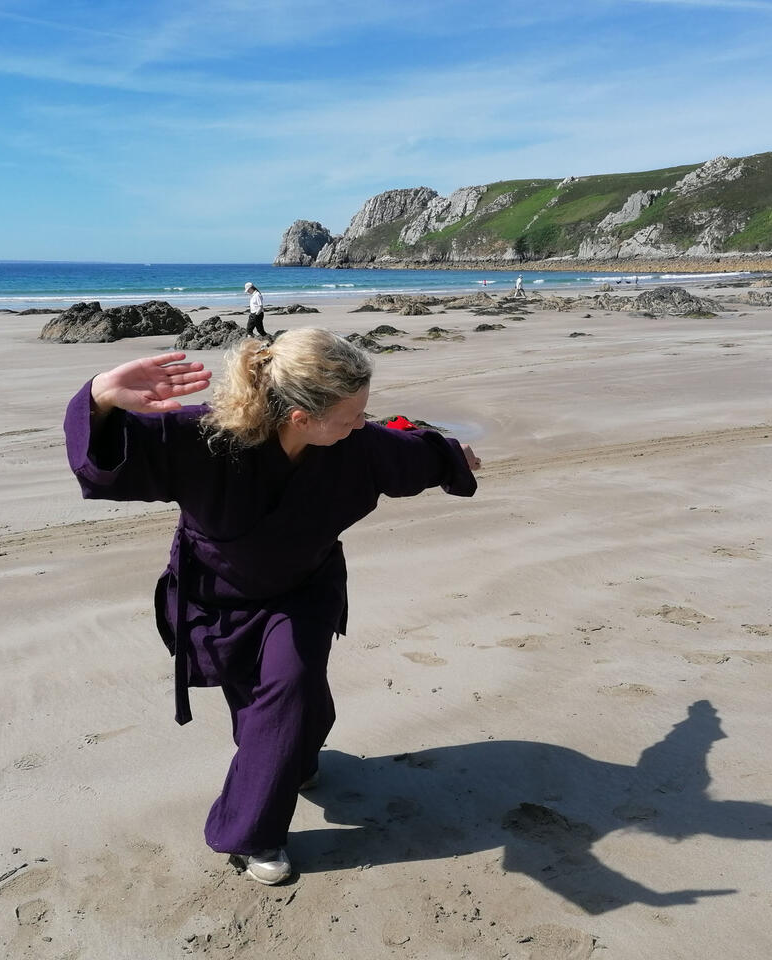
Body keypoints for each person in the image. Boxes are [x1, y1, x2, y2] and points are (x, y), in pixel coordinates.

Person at [63, 328, 481, 886]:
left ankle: (255, 832)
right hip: (219, 599)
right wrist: (98, 397)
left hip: (305, 589)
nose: (363, 422)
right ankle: (293, 760)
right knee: (264, 710)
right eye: (352, 413)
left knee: (293, 687)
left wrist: (453, 456)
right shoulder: (203, 439)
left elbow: (410, 450)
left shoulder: (358, 445)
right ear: (300, 417)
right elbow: (104, 463)